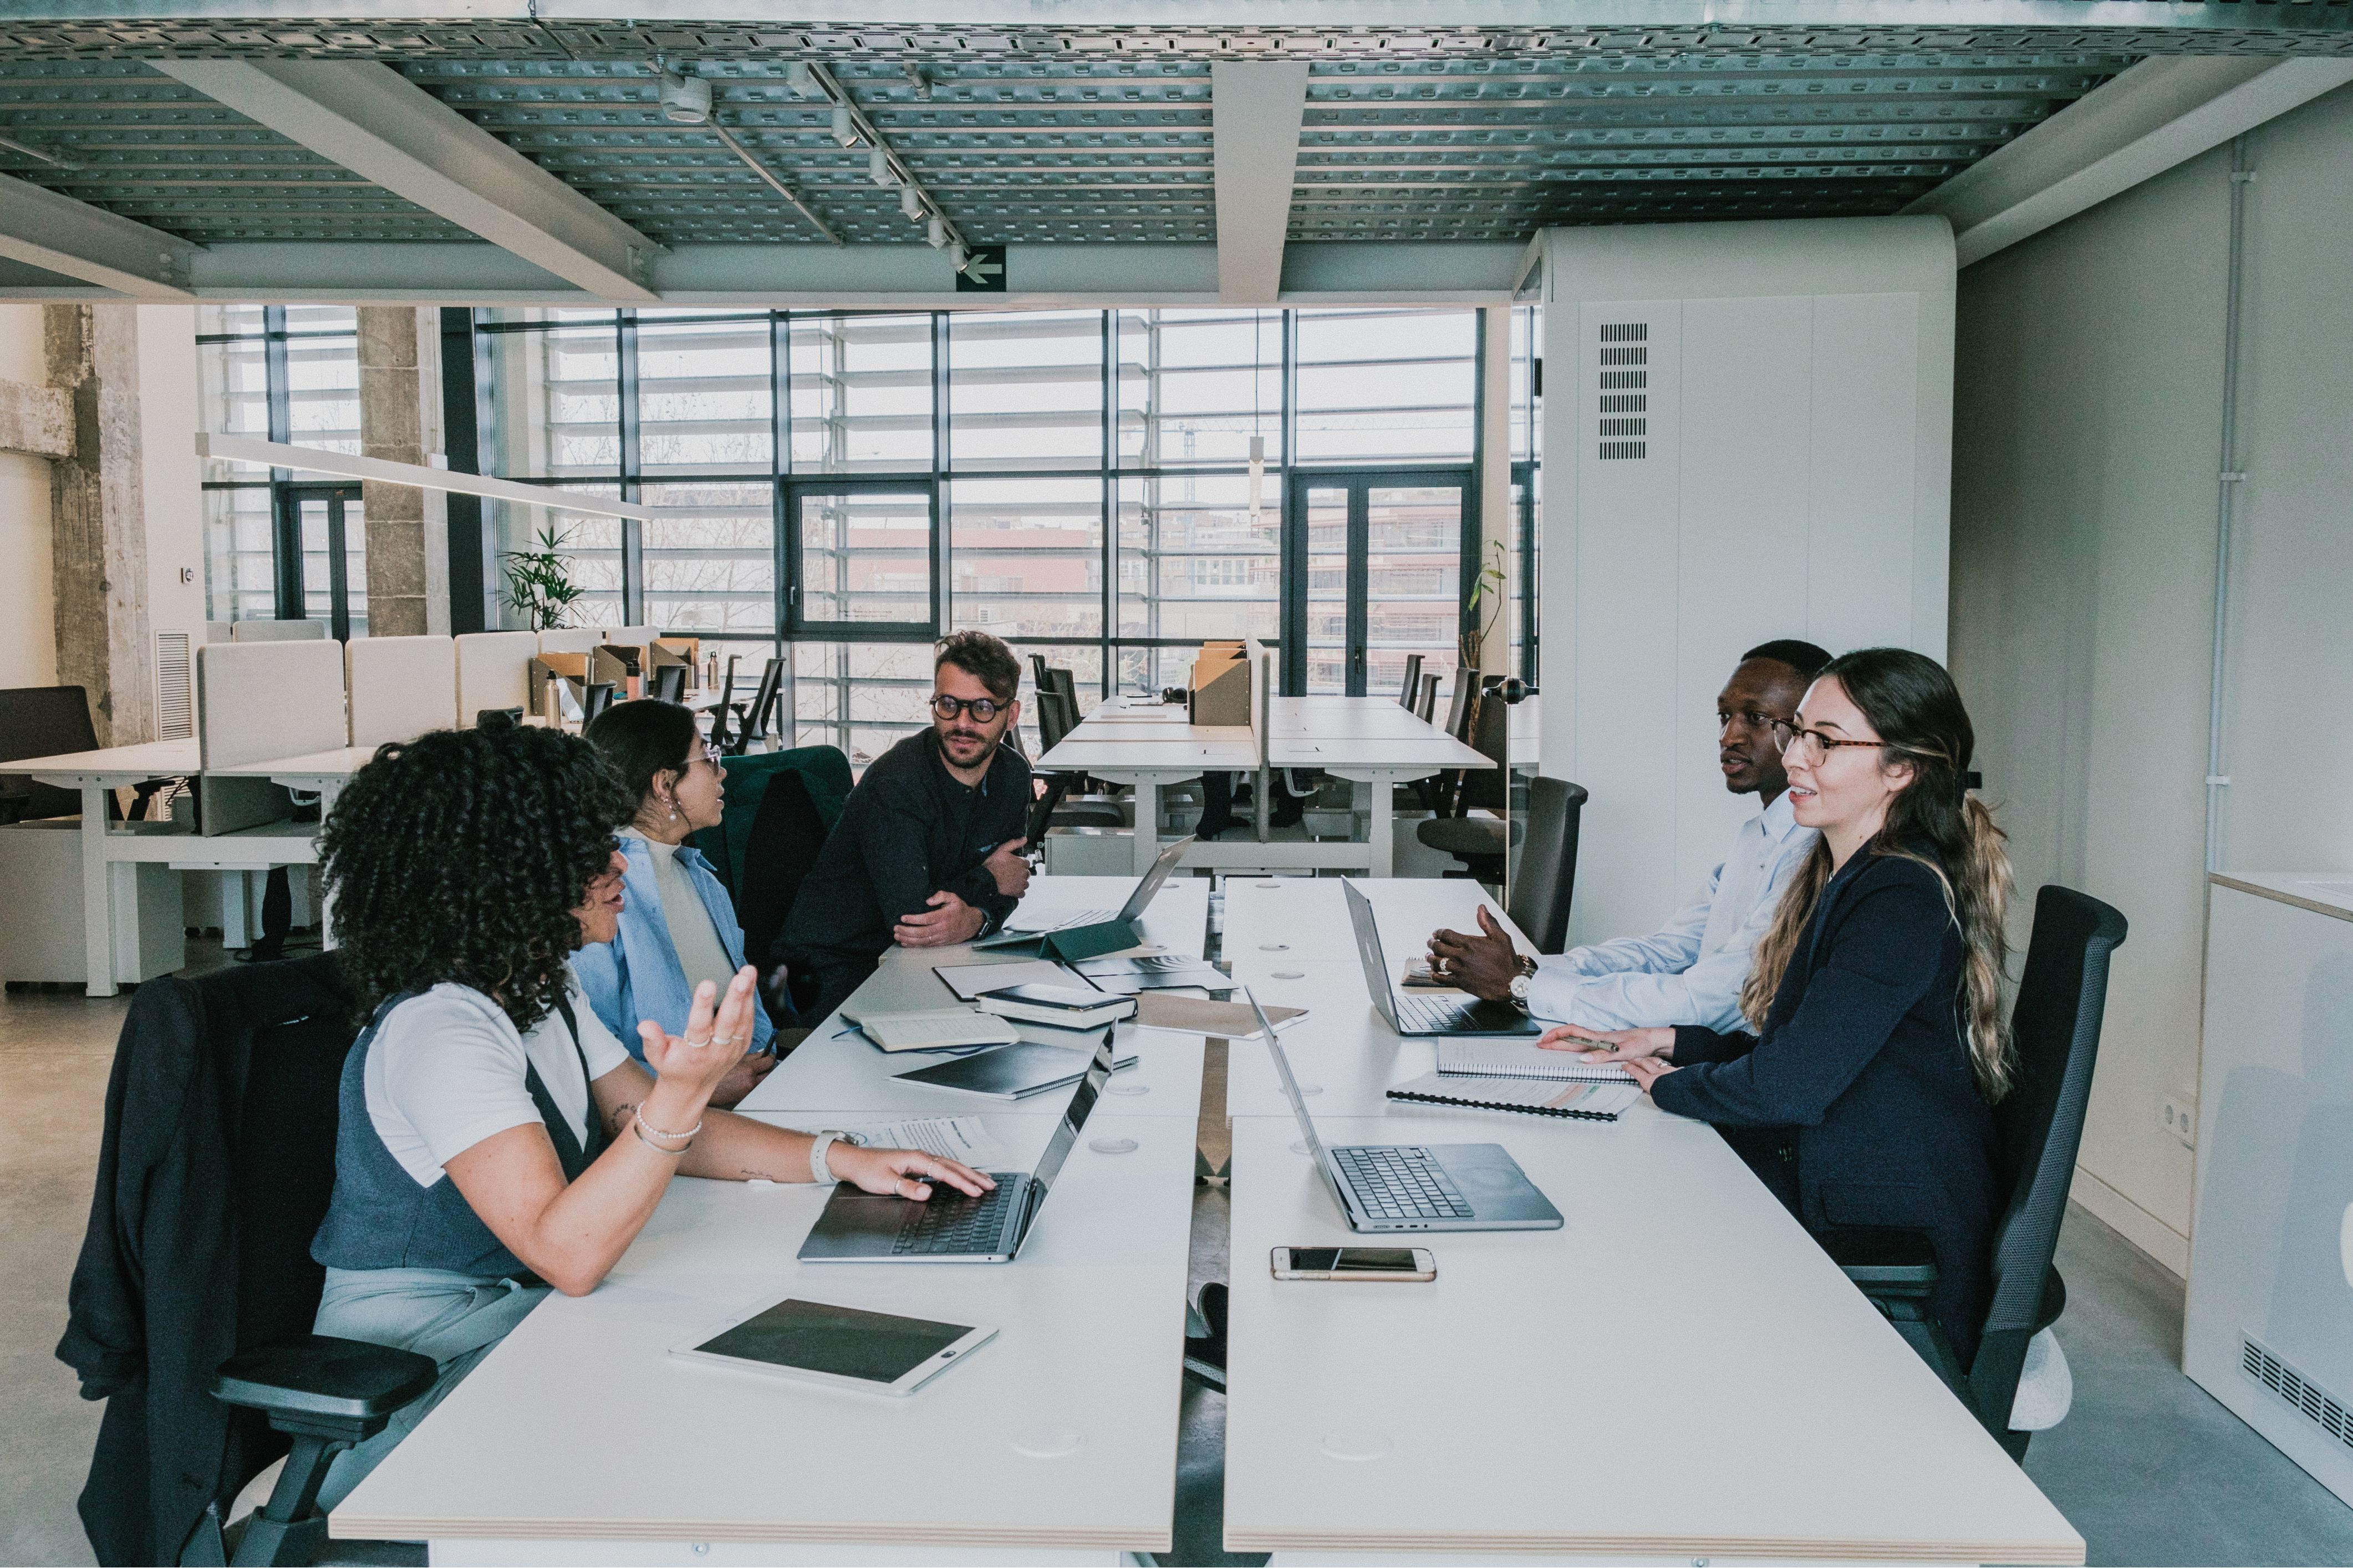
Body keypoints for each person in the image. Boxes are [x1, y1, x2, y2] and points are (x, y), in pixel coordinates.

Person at [306, 721, 989, 1508]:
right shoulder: (442, 1030)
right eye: (587, 849)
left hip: (512, 1321)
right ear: (509, 870)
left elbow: (641, 1114)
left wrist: (838, 1158)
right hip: (413, 1380)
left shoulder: (531, 989)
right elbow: (568, 1251)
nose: (618, 862)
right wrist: (684, 1091)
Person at [1542, 647, 2013, 1362]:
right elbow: (1799, 1049)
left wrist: (1674, 1088)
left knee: (1624, 1209)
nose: (1796, 758)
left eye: (1826, 741)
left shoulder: (1899, 897)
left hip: (1877, 1207)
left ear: (1900, 768)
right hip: (1841, 1162)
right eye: (1797, 734)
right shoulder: (1851, 875)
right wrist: (1670, 1042)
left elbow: (1789, 1084)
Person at [1425, 639, 1832, 1029]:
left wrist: (1524, 985)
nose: (1728, 737)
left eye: (1756, 718)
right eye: (1725, 716)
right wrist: (1525, 967)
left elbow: (1713, 1001)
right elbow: (1668, 951)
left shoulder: (1810, 853)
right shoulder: (1756, 837)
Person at [780, 630, 1035, 1019]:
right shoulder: (896, 782)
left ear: (1011, 715)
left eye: (982, 708)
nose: (962, 723)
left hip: (923, 963)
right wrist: (987, 882)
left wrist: (978, 918)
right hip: (832, 972)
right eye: (948, 704)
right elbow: (913, 922)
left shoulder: (1014, 777)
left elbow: (1011, 886)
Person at [576, 698, 780, 1107]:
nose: (722, 771)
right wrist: (701, 1088)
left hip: (761, 1097)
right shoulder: (599, 898)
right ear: (665, 785)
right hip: (672, 1125)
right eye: (708, 757)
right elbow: (588, 1064)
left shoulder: (700, 877)